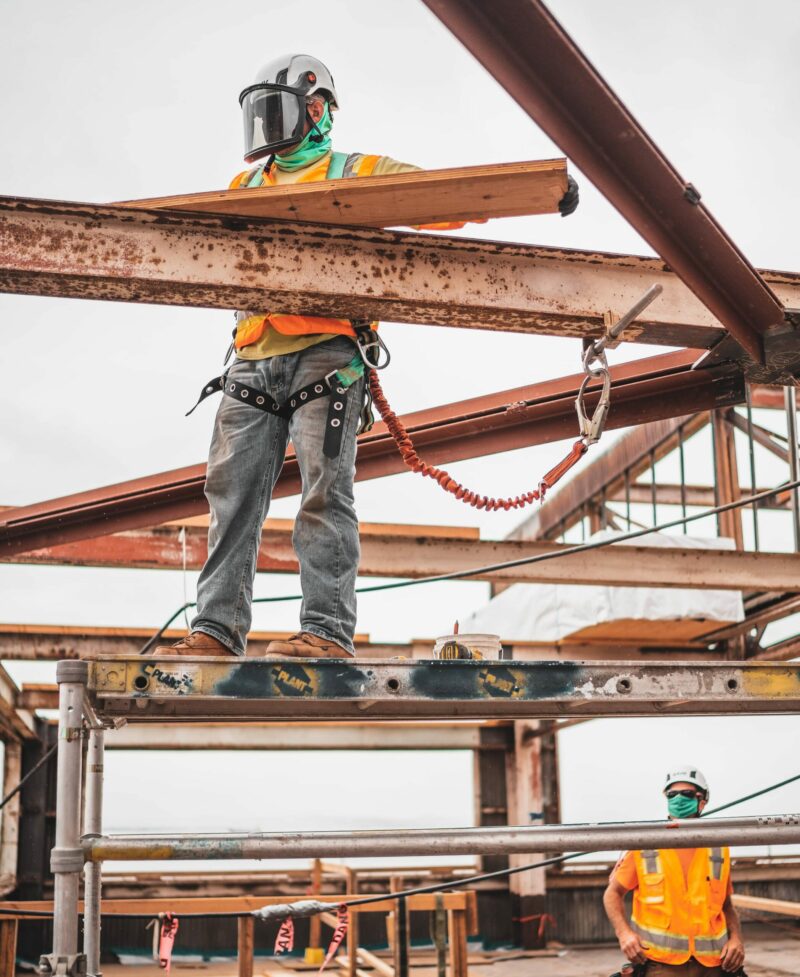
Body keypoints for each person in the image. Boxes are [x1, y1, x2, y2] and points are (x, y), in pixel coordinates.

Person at [157, 54, 578, 661]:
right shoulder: (246, 186)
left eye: (277, 110)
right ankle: (216, 632)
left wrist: (537, 191)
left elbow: (442, 198)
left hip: (326, 359)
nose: (266, 127)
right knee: (231, 495)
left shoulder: (358, 172)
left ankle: (326, 632)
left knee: (326, 493)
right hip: (252, 359)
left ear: (317, 109)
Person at [603, 767, 745, 977]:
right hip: (661, 965)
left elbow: (726, 905)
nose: (678, 799)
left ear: (702, 800)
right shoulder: (645, 845)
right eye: (672, 795)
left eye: (686, 794)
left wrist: (737, 939)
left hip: (714, 965)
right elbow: (612, 894)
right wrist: (624, 934)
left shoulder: (718, 848)